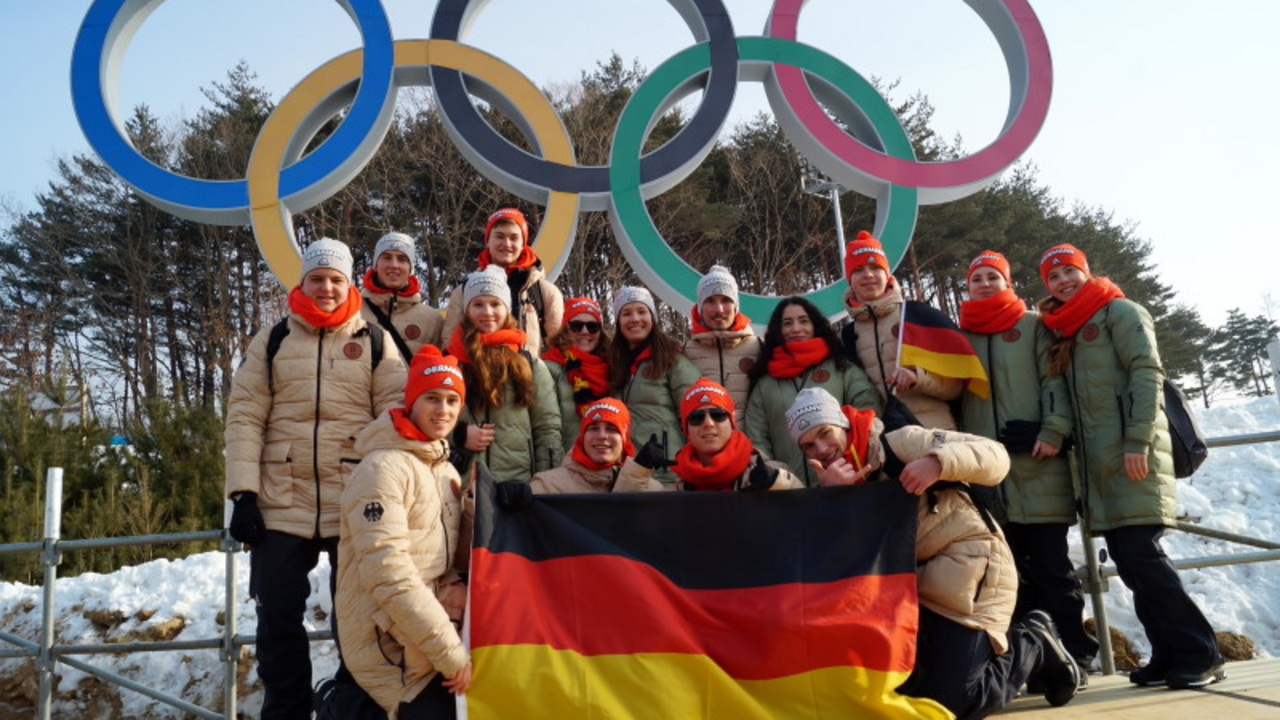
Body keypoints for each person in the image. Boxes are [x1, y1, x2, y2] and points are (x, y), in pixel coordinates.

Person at [785, 387, 1081, 719]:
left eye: (825, 433)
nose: (822, 449)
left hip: (970, 570)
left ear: (841, 423)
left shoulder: (899, 442)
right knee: (907, 698)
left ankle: (1033, 642)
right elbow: (845, 557)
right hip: (912, 595)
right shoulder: (829, 480)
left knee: (953, 703)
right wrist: (835, 499)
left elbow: (995, 456)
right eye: (808, 444)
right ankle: (993, 653)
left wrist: (937, 462)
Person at [224, 238, 405, 719]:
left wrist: (388, 491)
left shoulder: (375, 340)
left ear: (349, 283)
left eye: (335, 279)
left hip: (354, 498)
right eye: (317, 278)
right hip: (282, 498)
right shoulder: (274, 339)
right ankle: (286, 710)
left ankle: (352, 707)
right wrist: (243, 493)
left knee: (360, 618)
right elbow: (244, 416)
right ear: (301, 282)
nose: (326, 287)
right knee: (277, 616)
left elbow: (395, 418)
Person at [1036, 243, 1224, 689]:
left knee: (1143, 553)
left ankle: (1202, 652)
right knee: (1129, 558)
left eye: (1069, 271)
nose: (1063, 281)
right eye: (1053, 277)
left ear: (1086, 270)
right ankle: (1167, 653)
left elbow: (1146, 372)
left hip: (1133, 454)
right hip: (1101, 463)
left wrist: (1137, 439)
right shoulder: (1066, 328)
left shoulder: (1120, 311)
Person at [957, 250, 1096, 671]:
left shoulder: (1033, 326)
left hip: (1038, 461)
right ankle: (1034, 662)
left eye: (992, 277)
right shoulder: (961, 336)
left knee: (1054, 567)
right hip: (988, 472)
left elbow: (1054, 379)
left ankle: (1079, 651)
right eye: (976, 278)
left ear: (1008, 283)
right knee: (1008, 573)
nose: (984, 284)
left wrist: (1052, 430)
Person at [334, 345, 471, 719]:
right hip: (390, 646)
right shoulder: (383, 469)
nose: (443, 410)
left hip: (424, 635)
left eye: (451, 400)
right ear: (411, 401)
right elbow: (388, 574)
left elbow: (447, 562)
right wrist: (449, 653)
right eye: (432, 398)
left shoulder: (444, 470)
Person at [744, 296, 881, 486]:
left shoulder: (842, 369)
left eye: (803, 321)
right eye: (787, 323)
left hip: (847, 484)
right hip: (790, 494)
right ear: (779, 331)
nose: (796, 329)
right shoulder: (765, 383)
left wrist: (848, 463)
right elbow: (756, 438)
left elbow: (868, 413)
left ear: (815, 325)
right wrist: (778, 478)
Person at [447, 265, 562, 483]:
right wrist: (458, 436)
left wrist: (544, 484)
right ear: (467, 310)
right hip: (459, 487)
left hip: (517, 486)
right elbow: (422, 421)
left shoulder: (529, 363)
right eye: (478, 304)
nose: (487, 312)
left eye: (495, 304)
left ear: (506, 308)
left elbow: (547, 429)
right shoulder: (450, 360)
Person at [840, 231, 962, 429]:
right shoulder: (846, 336)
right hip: (883, 446)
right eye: (858, 269)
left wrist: (918, 378)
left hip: (935, 436)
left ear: (887, 274)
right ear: (850, 279)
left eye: (875, 267)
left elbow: (956, 388)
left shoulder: (918, 316)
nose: (868, 275)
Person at [607, 286, 701, 485]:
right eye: (626, 313)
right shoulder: (614, 365)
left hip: (666, 472)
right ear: (618, 321)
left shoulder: (672, 360)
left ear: (652, 317)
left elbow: (696, 415)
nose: (634, 319)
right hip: (624, 472)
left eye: (642, 311)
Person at [442, 207, 564, 355]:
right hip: (477, 375)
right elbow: (450, 344)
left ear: (523, 243)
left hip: (528, 375)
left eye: (514, 238)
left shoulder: (544, 292)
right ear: (487, 241)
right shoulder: (464, 291)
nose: (506, 244)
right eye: (499, 236)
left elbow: (559, 347)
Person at [665, 378, 802, 492]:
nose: (708, 423)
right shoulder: (678, 484)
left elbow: (803, 513)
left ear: (732, 423)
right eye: (696, 417)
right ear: (685, 429)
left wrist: (780, 483)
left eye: (718, 415)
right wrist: (642, 472)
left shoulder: (775, 473)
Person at [530, 397, 666, 494]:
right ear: (582, 437)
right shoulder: (547, 486)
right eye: (593, 428)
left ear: (624, 439)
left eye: (611, 429)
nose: (602, 436)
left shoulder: (653, 491)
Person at [681, 265, 760, 424]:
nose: (719, 309)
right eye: (710, 301)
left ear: (736, 306)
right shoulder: (684, 353)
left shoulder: (759, 348)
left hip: (750, 445)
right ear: (700, 307)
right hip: (703, 445)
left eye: (726, 300)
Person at [542, 297, 612, 454]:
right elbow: (545, 428)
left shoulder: (614, 369)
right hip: (566, 464)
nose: (585, 332)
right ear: (564, 329)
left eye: (592, 327)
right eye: (576, 326)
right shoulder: (549, 368)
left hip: (608, 461)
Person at [360, 231, 443, 358]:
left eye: (402, 259)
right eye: (387, 257)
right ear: (376, 265)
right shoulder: (353, 312)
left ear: (410, 268)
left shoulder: (432, 320)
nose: (394, 265)